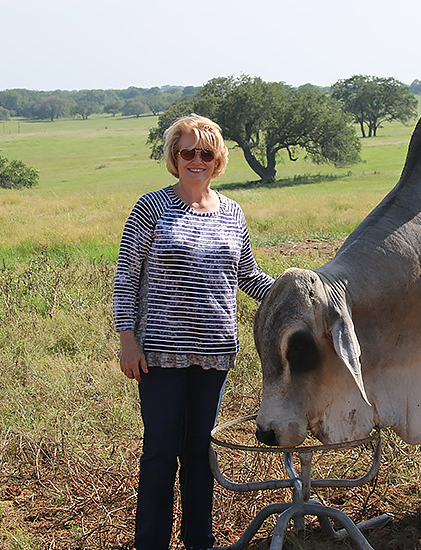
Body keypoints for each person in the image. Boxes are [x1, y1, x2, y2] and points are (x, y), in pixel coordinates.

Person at [113, 114, 274, 550]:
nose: (196, 160)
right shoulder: (151, 208)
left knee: (200, 454)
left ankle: (198, 541)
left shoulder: (232, 212)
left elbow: (248, 276)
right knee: (162, 453)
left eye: (206, 153)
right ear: (174, 157)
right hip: (160, 355)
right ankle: (151, 543)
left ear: (218, 160)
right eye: (188, 152)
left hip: (215, 354)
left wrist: (295, 292)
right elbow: (126, 277)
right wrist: (128, 340)